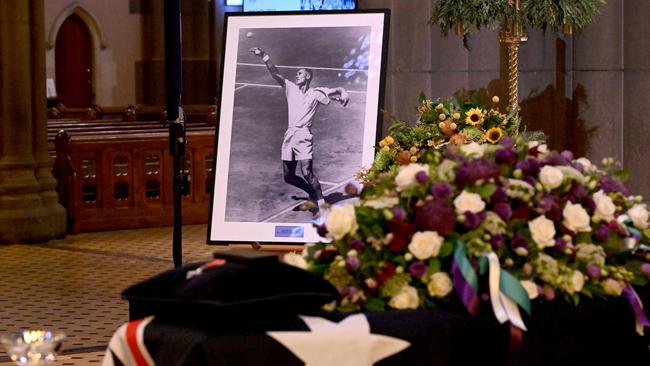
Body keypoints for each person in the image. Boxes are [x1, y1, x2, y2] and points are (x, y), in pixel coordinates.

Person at [250, 46, 350, 219]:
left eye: (300, 73)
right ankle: (312, 192)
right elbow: (276, 74)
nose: (296, 75)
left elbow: (337, 90)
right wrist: (264, 56)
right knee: (288, 176)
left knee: (307, 172)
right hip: (290, 136)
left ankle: (321, 205)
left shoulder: (316, 93)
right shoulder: (290, 88)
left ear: (308, 76)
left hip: (304, 136)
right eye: (297, 73)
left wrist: (343, 91)